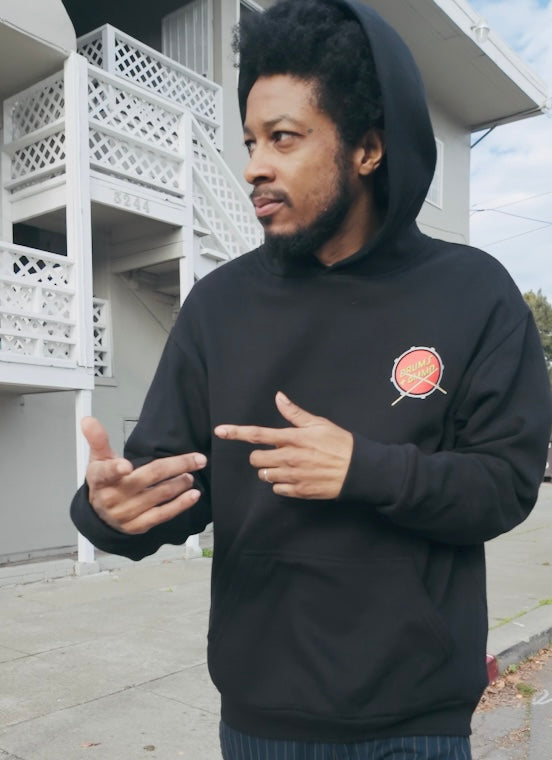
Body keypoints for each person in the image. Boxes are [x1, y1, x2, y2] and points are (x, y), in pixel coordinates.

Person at [71, 0, 552, 757]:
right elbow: (171, 486)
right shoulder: (219, 306)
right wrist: (110, 511)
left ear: (367, 148)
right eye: (251, 141)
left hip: (416, 720)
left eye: (284, 138)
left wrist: (363, 468)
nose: (254, 165)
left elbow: (505, 485)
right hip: (262, 718)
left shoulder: (474, 293)